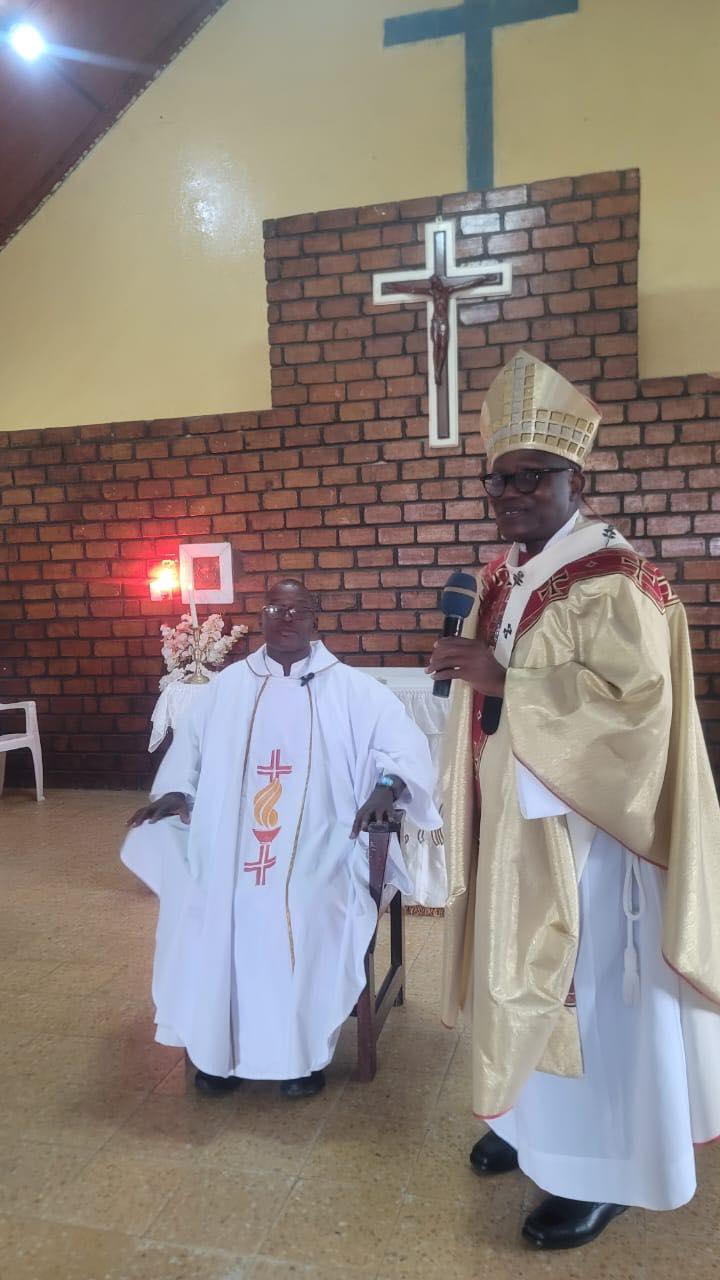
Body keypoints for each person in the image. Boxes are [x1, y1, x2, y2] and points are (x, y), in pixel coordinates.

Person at [428, 350, 720, 1249]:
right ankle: (528, 1124)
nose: (511, 494)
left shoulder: (616, 581)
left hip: (591, 839)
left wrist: (505, 682)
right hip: (517, 825)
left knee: (586, 994)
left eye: (533, 477)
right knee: (516, 976)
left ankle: (609, 1167)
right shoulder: (509, 573)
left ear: (575, 481)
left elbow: (642, 716)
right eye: (499, 479)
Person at [122, 579, 444, 1098]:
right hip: (230, 844)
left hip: (326, 842)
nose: (287, 618)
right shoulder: (227, 688)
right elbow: (189, 753)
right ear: (262, 617)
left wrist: (387, 787)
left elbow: (404, 750)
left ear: (316, 619)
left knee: (305, 903)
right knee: (207, 903)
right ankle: (216, 1051)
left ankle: (299, 1054)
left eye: (298, 609)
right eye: (276, 608)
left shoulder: (354, 690)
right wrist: (177, 792)